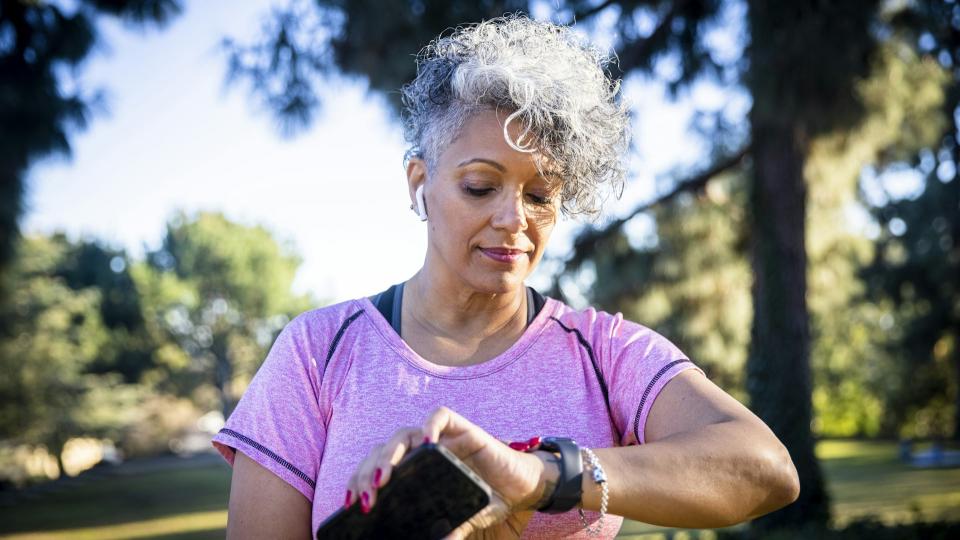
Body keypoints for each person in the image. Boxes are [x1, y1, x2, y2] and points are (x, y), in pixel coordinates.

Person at [212, 15, 800, 539]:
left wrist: (538, 475)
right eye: (480, 186)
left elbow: (765, 469)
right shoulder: (317, 353)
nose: (513, 218)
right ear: (420, 183)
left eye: (541, 194)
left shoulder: (604, 352)